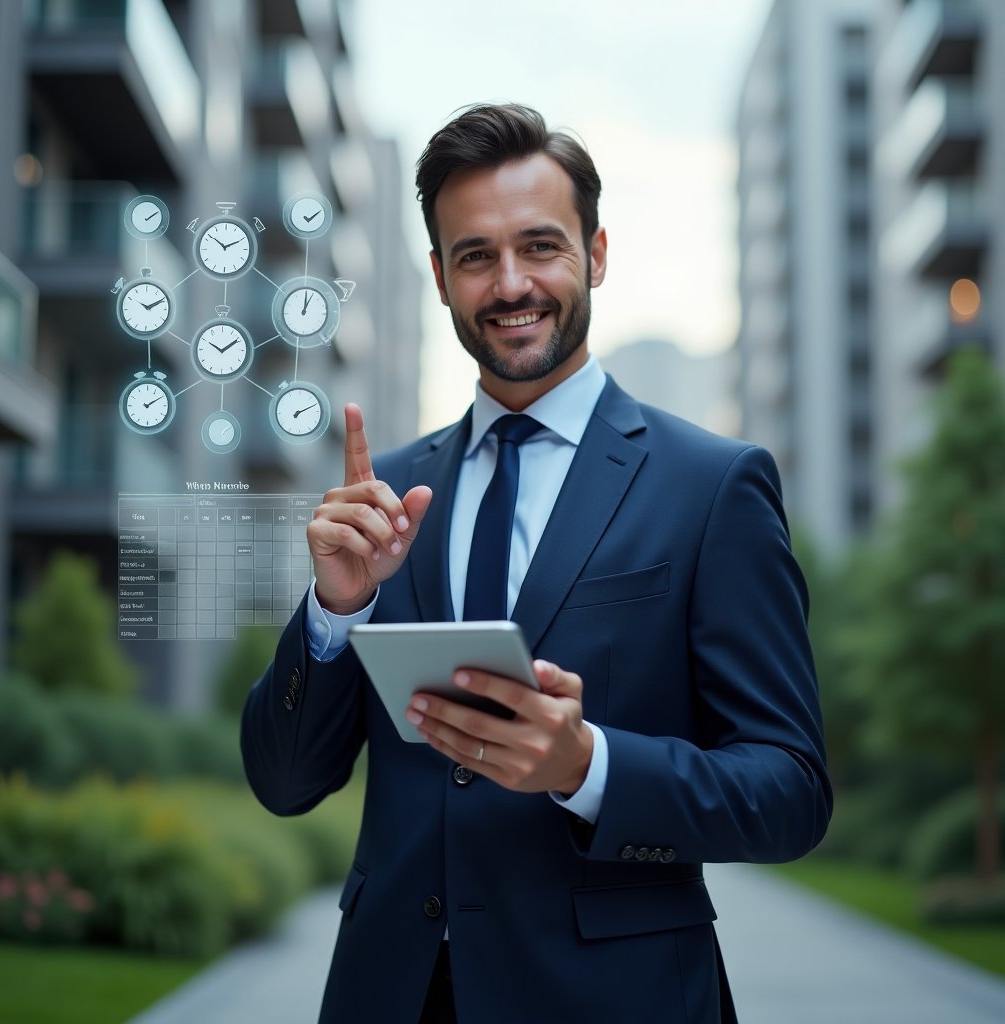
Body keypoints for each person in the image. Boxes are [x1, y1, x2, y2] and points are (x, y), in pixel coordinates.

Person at [241, 103, 832, 1024]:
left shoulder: (712, 487)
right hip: (391, 995)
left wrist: (586, 765)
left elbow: (789, 792)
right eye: (475, 255)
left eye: (540, 246)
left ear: (595, 254)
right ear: (439, 278)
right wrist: (334, 612)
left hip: (613, 998)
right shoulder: (383, 497)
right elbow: (284, 784)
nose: (510, 283)